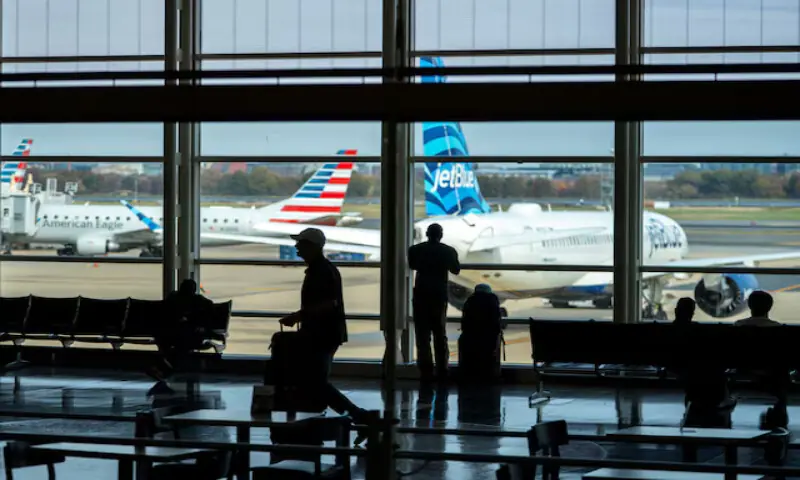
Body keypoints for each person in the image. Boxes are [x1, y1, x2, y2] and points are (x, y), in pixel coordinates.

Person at [278, 227, 368, 442]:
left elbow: (328, 304)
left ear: (313, 247)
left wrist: (298, 316)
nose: (296, 248)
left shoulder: (322, 271)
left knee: (316, 382)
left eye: (301, 244)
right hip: (323, 333)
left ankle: (358, 416)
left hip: (322, 334)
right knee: (315, 382)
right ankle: (348, 418)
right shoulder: (322, 269)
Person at [408, 223, 460, 382]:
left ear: (427, 234)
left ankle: (425, 370)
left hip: (421, 294)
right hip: (438, 295)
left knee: (422, 336)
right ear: (441, 235)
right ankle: (442, 369)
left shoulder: (415, 250)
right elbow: (456, 270)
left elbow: (412, 265)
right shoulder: (448, 251)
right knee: (439, 334)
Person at [149, 278, 214, 395]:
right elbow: (209, 305)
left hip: (172, 333)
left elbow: (163, 311)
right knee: (180, 347)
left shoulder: (174, 297)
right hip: (184, 334)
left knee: (173, 345)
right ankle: (164, 368)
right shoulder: (196, 300)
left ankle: (164, 368)